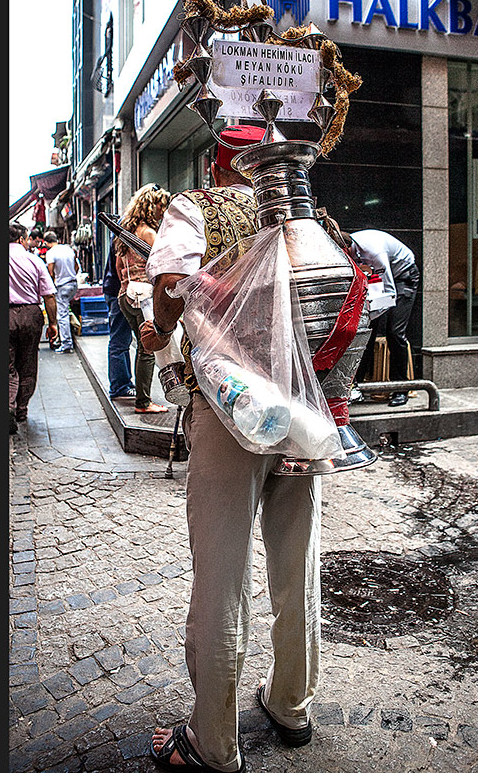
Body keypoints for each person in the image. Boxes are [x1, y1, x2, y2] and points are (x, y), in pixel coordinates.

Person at [141, 125, 319, 773]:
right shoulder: (310, 215)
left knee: (222, 571)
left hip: (231, 408)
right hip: (304, 404)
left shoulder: (199, 207)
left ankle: (213, 741)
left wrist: (159, 328)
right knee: (297, 564)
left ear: (222, 164)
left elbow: (168, 285)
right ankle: (292, 703)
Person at [345, 229, 420, 407]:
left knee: (395, 332)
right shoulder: (354, 248)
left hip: (402, 278)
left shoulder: (374, 252)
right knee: (366, 333)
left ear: (347, 247)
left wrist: (371, 315)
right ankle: (355, 388)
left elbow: (389, 292)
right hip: (379, 280)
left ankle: (401, 389)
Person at [117, 184, 171, 414]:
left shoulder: (126, 233)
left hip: (126, 296)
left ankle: (143, 398)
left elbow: (120, 267)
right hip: (144, 297)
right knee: (148, 348)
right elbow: (163, 264)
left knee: (142, 346)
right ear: (152, 205)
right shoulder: (148, 232)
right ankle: (143, 402)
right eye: (161, 206)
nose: (163, 212)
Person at [9, 222, 57, 434]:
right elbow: (49, 295)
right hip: (31, 314)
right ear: (21, 239)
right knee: (27, 362)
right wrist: (53, 323)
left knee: (7, 364)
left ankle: (7, 408)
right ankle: (21, 408)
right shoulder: (34, 260)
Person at [102, 237, 135, 399]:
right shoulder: (124, 233)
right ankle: (119, 386)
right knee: (120, 339)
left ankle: (124, 382)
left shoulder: (123, 230)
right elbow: (119, 265)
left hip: (115, 290)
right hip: (118, 292)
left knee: (122, 339)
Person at [44, 231, 80, 354]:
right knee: (66, 309)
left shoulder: (50, 253)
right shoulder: (68, 249)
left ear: (47, 243)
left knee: (62, 315)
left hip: (62, 285)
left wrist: (54, 282)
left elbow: (50, 272)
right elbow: (77, 267)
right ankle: (69, 336)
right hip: (73, 284)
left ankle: (67, 344)